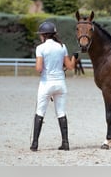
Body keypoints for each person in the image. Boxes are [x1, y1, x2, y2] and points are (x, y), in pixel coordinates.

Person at [30, 21, 78, 152]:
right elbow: (70, 66)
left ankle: (35, 144)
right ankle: (65, 143)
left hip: (46, 84)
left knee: (40, 112)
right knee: (61, 112)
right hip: (61, 84)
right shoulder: (62, 46)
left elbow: (39, 68)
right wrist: (74, 58)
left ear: (44, 35)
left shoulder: (40, 48)